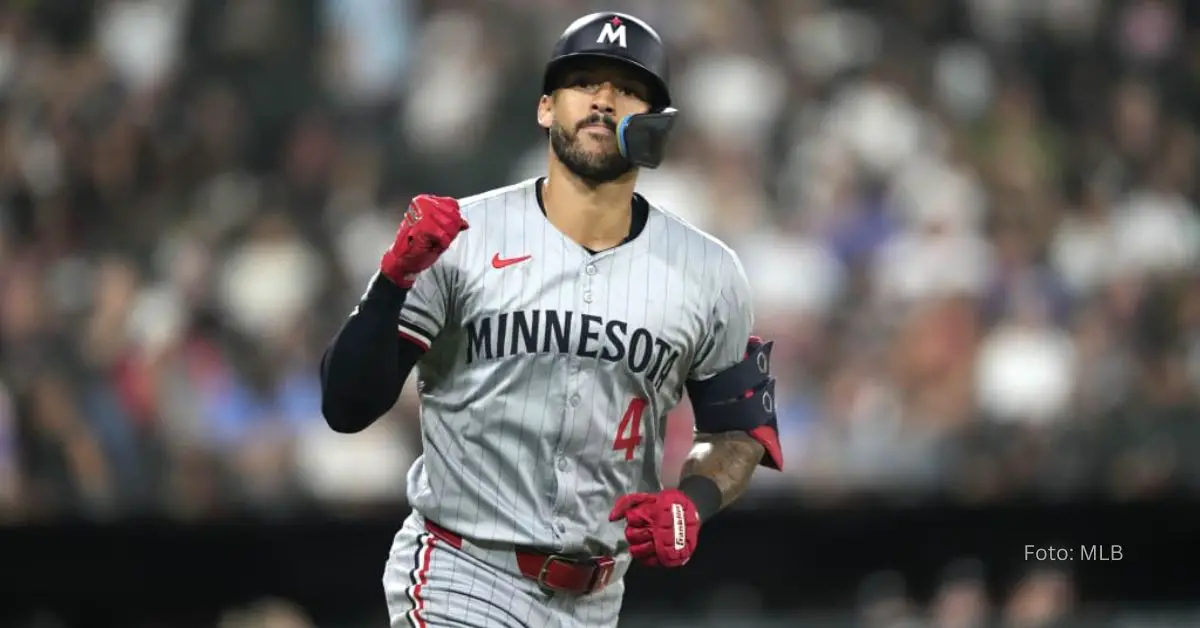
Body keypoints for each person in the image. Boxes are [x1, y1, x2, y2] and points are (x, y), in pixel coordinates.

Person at [319, 12, 783, 628]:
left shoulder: (709, 271)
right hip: (463, 571)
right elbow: (345, 407)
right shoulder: (460, 235)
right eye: (583, 81)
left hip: (598, 599)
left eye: (626, 87)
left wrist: (692, 503)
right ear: (545, 108)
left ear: (655, 123)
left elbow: (738, 431)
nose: (602, 98)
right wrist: (391, 282)